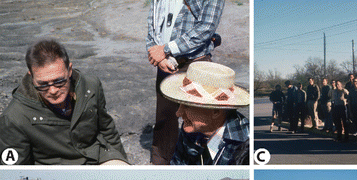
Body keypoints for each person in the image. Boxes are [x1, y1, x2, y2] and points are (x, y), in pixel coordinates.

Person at [0, 39, 128, 165]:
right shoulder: (14, 117)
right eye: (43, 84)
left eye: (59, 81)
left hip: (99, 157)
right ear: (31, 76)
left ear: (69, 70)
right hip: (55, 172)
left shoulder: (90, 87)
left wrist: (123, 162)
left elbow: (108, 130)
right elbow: (16, 173)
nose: (53, 90)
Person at [146, 0, 224, 164]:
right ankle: (161, 162)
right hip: (165, 62)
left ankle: (203, 163)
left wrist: (166, 49)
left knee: (200, 121)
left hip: (196, 63)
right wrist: (157, 53)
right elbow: (152, 24)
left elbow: (206, 27)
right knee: (164, 117)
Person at [160, 61, 249, 165]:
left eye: (187, 106)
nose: (179, 113)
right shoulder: (192, 129)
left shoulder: (246, 144)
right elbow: (177, 164)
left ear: (216, 111)